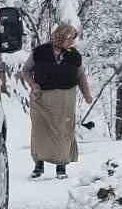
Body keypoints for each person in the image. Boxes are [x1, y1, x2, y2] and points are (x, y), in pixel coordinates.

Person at [23, 23, 94, 178]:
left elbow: (80, 76)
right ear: (61, 37)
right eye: (70, 39)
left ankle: (61, 167)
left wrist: (87, 94)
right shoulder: (40, 52)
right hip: (42, 99)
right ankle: (38, 165)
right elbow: (26, 70)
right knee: (40, 132)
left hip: (65, 100)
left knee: (63, 132)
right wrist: (33, 84)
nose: (72, 42)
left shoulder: (74, 55)